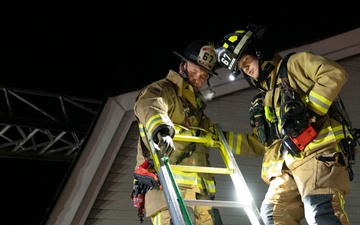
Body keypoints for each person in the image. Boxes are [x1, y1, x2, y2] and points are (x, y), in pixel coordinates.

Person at [215, 23, 357, 225]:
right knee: (273, 214)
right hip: (286, 168)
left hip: (317, 155)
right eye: (240, 68)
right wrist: (220, 138)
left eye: (246, 61)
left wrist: (308, 112)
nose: (245, 69)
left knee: (321, 212)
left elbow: (333, 74)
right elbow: (260, 143)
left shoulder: (294, 65)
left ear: (259, 52)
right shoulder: (263, 99)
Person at [133, 40, 224, 225]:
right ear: (182, 65)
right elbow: (150, 105)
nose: (197, 78)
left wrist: (263, 143)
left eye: (203, 75)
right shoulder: (163, 90)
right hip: (168, 194)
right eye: (193, 70)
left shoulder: (196, 112)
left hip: (201, 199)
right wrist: (162, 130)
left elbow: (224, 139)